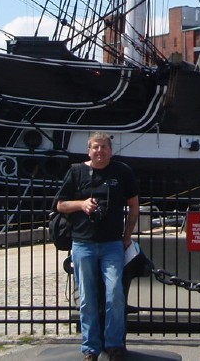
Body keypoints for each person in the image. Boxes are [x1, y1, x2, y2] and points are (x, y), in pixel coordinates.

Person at [55, 132, 139, 361]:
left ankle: (114, 344)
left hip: (112, 243)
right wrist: (82, 204)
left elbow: (133, 205)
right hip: (83, 243)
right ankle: (90, 347)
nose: (100, 151)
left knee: (114, 293)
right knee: (87, 298)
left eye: (104, 147)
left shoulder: (122, 172)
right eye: (95, 147)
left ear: (110, 150)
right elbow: (60, 204)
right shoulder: (76, 172)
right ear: (89, 150)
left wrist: (127, 236)